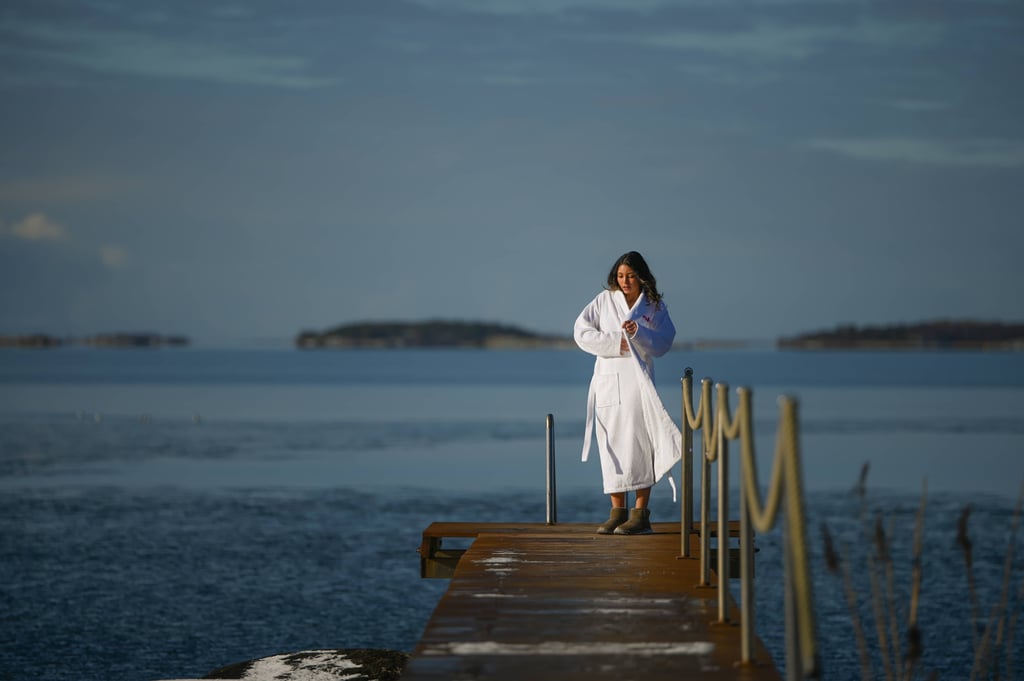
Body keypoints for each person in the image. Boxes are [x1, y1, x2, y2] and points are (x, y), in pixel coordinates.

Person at [574, 251, 681, 535]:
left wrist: (638, 334)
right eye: (621, 276)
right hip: (609, 382)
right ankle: (617, 511)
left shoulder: (654, 306)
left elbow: (664, 342)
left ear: (641, 277)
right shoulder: (604, 301)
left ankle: (640, 513)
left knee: (641, 443)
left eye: (630, 276)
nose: (625, 282)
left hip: (638, 383)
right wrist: (619, 343)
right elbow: (581, 333)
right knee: (612, 444)